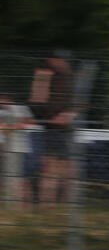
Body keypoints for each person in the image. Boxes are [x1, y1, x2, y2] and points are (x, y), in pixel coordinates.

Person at [28, 51, 75, 207]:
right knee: (50, 170)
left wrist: (69, 115)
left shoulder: (70, 77)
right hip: (51, 129)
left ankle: (65, 207)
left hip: (64, 130)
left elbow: (82, 102)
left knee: (66, 170)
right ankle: (47, 206)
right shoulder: (46, 75)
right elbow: (36, 102)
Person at [0, 94, 38, 207]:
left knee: (17, 178)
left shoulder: (19, 109)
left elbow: (29, 124)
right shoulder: (3, 112)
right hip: (8, 149)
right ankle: (13, 204)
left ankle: (18, 204)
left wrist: (8, 127)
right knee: (10, 178)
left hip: (18, 149)